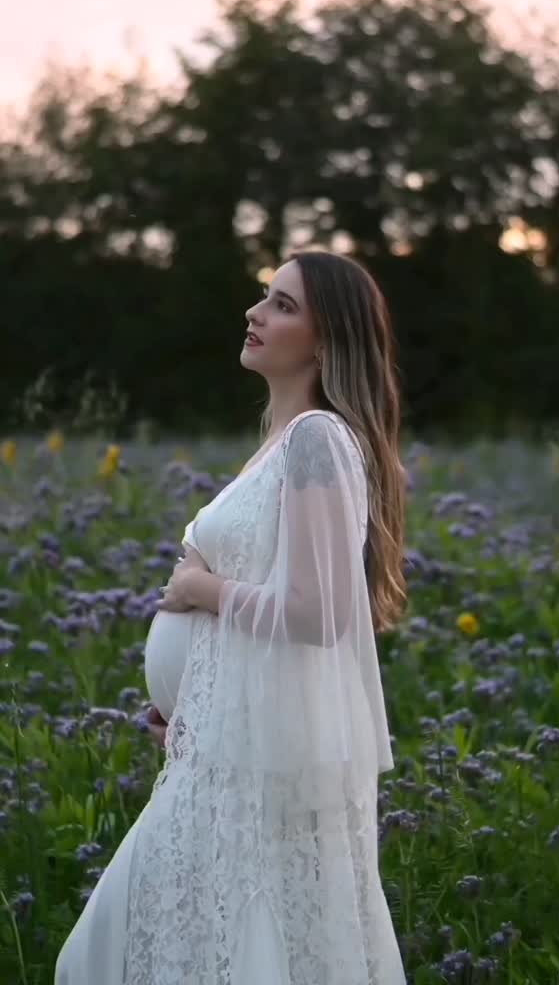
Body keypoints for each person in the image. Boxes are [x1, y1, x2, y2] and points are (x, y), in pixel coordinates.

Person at [55, 249, 408, 985]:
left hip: (252, 777)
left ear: (327, 339)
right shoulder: (278, 446)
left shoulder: (317, 440)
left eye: (283, 305)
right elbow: (267, 629)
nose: (255, 313)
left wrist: (200, 592)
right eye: (263, 297)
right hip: (214, 753)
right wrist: (191, 711)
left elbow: (319, 615)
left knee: (112, 957)